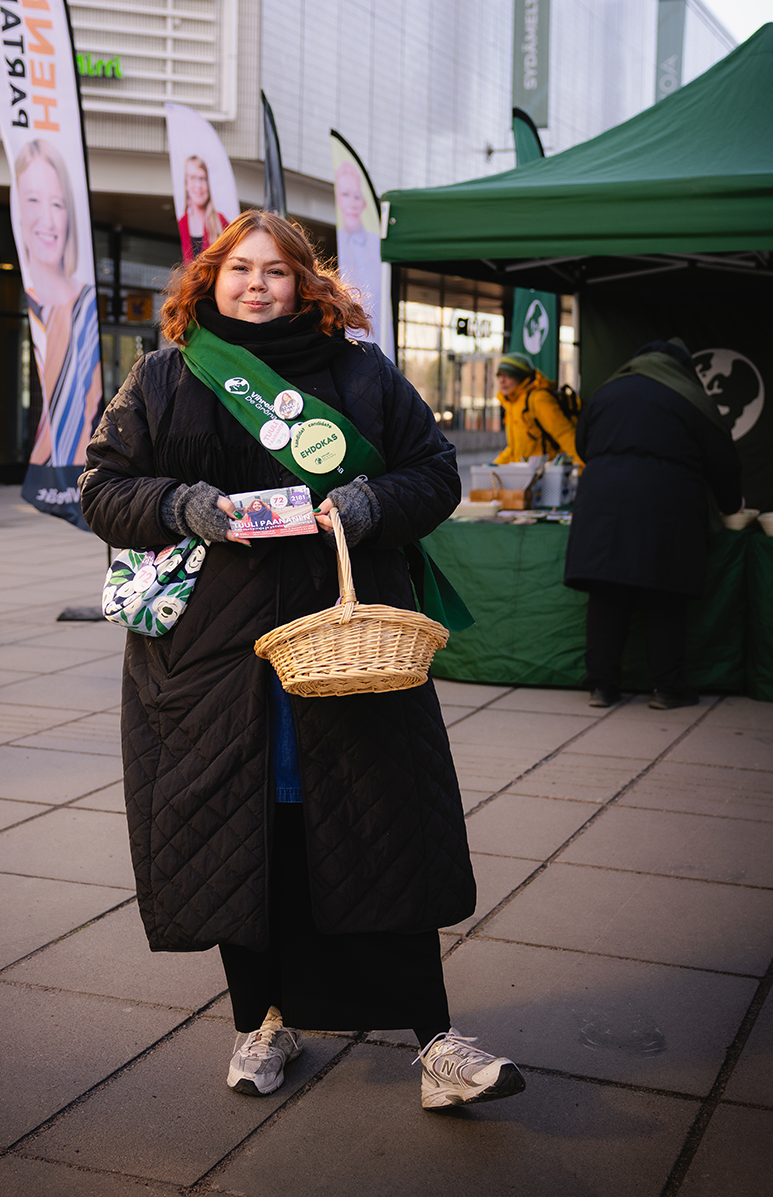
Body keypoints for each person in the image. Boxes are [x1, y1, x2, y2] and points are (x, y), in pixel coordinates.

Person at [80, 209, 526, 1111]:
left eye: (277, 271)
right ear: (211, 280)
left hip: (348, 650)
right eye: (241, 269)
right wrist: (182, 505)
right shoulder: (168, 377)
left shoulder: (360, 373)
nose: (258, 284)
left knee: (382, 832)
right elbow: (102, 486)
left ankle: (435, 1042)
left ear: (304, 282)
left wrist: (367, 505)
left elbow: (433, 472)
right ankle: (265, 1021)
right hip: (214, 664)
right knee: (244, 842)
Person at [564, 338, 742, 710]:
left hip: (602, 506)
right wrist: (730, 505)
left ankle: (602, 687)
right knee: (665, 595)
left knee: (607, 594)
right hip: (667, 507)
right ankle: (668, 688)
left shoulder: (606, 390)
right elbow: (722, 460)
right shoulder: (691, 397)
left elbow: (583, 444)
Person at [14, 140, 100, 467]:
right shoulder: (33, 305)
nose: (48, 221)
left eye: (58, 204)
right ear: (18, 210)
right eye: (33, 200)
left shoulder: (85, 308)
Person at [492, 352, 582, 467]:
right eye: (499, 376)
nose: (501, 381)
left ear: (520, 377)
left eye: (508, 375)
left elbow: (565, 435)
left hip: (545, 476)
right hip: (525, 476)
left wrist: (581, 470)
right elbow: (515, 449)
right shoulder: (513, 404)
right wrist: (493, 467)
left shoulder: (538, 399)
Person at [333, 161, 381, 338]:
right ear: (338, 198)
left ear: (364, 203)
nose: (352, 203)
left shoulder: (376, 246)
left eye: (357, 196)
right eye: (345, 194)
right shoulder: (340, 242)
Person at [177, 155, 229, 263]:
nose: (198, 185)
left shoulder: (220, 221)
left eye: (202, 179)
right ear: (186, 184)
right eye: (192, 178)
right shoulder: (182, 222)